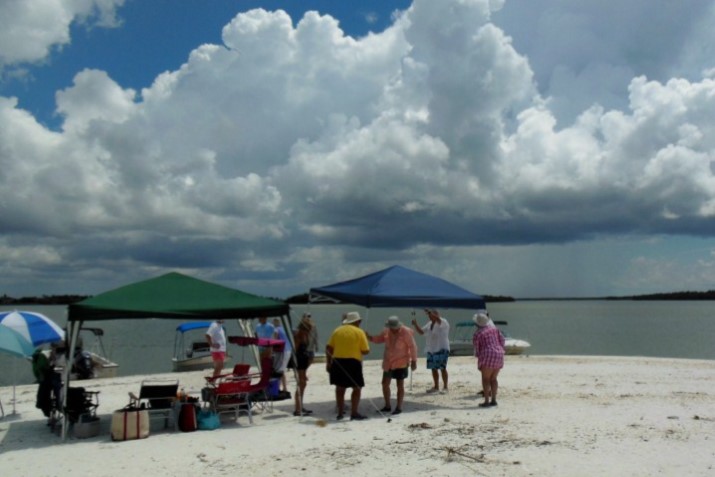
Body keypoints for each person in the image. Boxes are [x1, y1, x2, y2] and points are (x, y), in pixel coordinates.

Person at [367, 316, 418, 415]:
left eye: (394, 328)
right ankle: (387, 405)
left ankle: (398, 407)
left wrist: (414, 361)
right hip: (388, 362)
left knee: (400, 385)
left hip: (401, 362)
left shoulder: (406, 332)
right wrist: (370, 338)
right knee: (385, 383)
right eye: (391, 328)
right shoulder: (387, 331)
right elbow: (379, 339)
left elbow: (413, 347)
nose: (393, 330)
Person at [325, 311, 370, 421]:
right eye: (359, 321)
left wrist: (328, 362)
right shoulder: (359, 332)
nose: (360, 322)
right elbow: (365, 351)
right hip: (353, 362)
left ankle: (340, 413)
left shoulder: (337, 330)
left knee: (340, 388)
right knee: (357, 388)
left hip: (338, 362)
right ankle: (354, 413)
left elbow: (328, 348)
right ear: (356, 321)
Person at [411, 309, 450, 393]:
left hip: (442, 348)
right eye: (429, 315)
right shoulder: (429, 324)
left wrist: (431, 312)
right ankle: (436, 387)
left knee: (442, 368)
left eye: (430, 315)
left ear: (436, 315)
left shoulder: (443, 321)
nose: (429, 316)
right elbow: (421, 332)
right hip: (431, 349)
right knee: (433, 368)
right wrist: (415, 324)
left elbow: (438, 320)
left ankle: (445, 387)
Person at [472, 312, 505, 407]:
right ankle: (494, 400)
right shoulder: (495, 329)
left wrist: (480, 358)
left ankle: (486, 401)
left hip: (487, 354)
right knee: (493, 379)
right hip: (499, 353)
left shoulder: (477, 333)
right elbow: (502, 340)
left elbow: (477, 348)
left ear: (477, 323)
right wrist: (500, 349)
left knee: (485, 379)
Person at [292, 318, 315, 416]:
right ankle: (298, 409)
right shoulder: (298, 336)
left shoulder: (305, 335)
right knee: (300, 384)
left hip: (303, 363)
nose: (310, 331)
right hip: (299, 363)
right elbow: (295, 351)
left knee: (303, 384)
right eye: (308, 329)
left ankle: (300, 406)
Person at [272, 318, 292, 392]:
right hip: (288, 349)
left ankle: (278, 388)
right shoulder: (284, 329)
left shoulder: (276, 329)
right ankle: (283, 388)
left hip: (283, 351)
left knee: (279, 370)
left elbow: (274, 340)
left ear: (274, 323)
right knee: (282, 370)